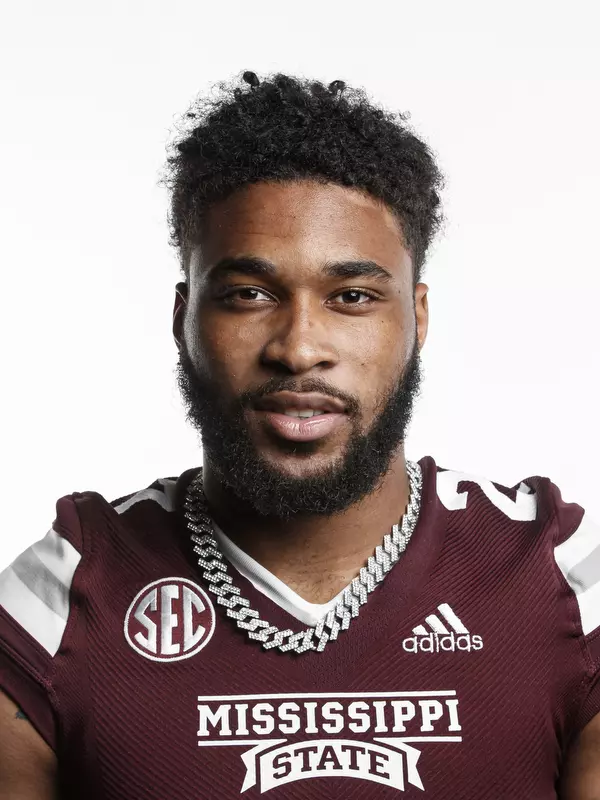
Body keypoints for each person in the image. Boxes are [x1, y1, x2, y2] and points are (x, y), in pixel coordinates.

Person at [0, 70, 598, 800]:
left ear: (418, 318)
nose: (299, 346)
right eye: (249, 294)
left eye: (352, 297)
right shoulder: (62, 594)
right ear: (184, 316)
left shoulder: (562, 579)